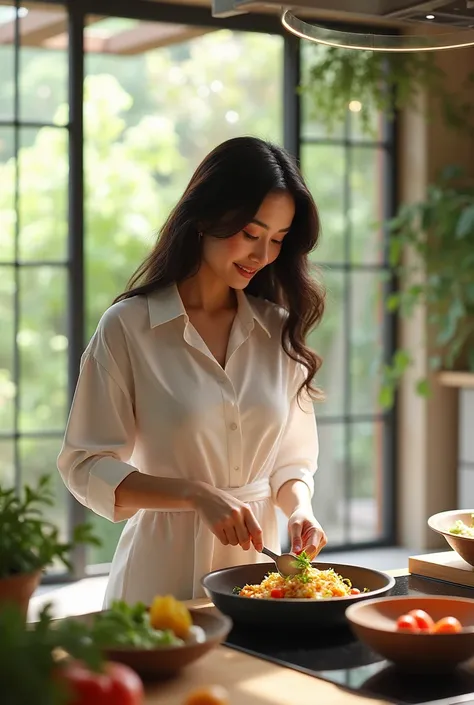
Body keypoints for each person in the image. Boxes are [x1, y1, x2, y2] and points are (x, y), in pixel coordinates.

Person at [57, 136, 327, 606]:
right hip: (159, 579)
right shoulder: (129, 328)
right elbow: (85, 466)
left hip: (258, 582)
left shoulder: (277, 332)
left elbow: (292, 460)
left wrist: (300, 508)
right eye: (250, 233)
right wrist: (195, 494)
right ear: (206, 217)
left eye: (277, 241)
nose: (262, 256)